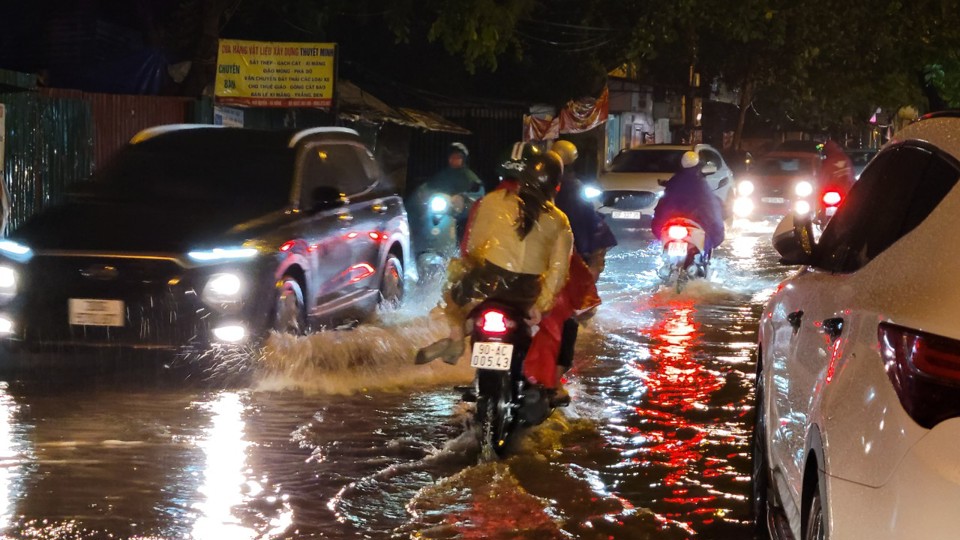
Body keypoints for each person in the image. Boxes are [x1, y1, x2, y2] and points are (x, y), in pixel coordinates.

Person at [417, 150, 573, 368]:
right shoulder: (559, 219)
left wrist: (466, 277)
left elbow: (473, 249)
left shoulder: (491, 201)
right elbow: (558, 270)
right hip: (525, 295)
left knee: (455, 296)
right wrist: (541, 305)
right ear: (556, 185)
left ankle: (455, 337)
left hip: (486, 284)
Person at [525, 140, 617, 403]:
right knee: (567, 319)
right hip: (552, 271)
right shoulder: (562, 209)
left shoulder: (508, 197)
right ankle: (553, 382)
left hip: (516, 277)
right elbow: (587, 230)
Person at [651, 151, 725, 254]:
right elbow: (712, 208)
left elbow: (661, 208)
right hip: (694, 226)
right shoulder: (701, 184)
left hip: (672, 225)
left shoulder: (674, 182)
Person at [422, 142, 485, 243]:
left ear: (463, 159)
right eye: (452, 157)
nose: (454, 160)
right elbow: (429, 187)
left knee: (463, 230)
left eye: (458, 157)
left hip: (461, 215)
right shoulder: (443, 175)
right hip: (442, 212)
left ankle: (459, 248)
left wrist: (464, 198)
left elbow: (479, 194)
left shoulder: (470, 177)